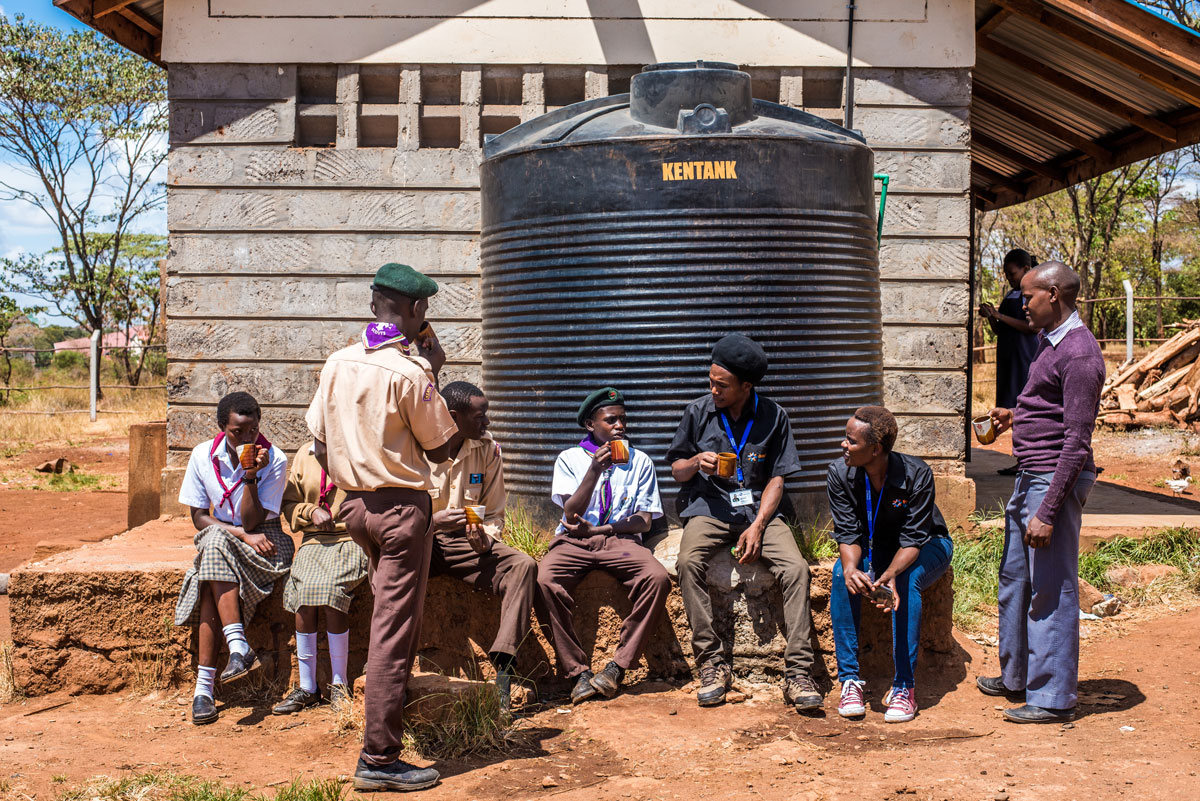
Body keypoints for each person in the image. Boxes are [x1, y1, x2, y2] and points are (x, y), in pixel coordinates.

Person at [305, 263, 458, 792]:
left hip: (356, 511)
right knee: (392, 633)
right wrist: (433, 373)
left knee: (392, 617)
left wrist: (359, 467)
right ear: (417, 312)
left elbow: (320, 445)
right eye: (425, 311)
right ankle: (379, 758)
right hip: (400, 512)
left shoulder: (337, 362)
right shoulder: (411, 373)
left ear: (374, 305)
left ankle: (386, 727)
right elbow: (442, 448)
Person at [977, 261, 1105, 724]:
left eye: (1027, 296)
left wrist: (1048, 511)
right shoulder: (1049, 342)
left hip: (1053, 478)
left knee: (1051, 586)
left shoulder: (1081, 355)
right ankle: (1017, 676)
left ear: (1053, 294)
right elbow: (1051, 407)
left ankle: (1053, 697)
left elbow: (1076, 443)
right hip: (1031, 473)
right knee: (1016, 578)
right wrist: (1016, 414)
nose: (1022, 303)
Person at [667, 334, 822, 712]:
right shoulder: (698, 412)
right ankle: (711, 664)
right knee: (688, 563)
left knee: (796, 568)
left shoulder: (773, 416)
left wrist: (758, 526)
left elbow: (777, 479)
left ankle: (799, 672)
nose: (713, 389)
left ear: (746, 386)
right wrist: (695, 462)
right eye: (711, 380)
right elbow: (676, 469)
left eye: (722, 384)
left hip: (759, 511)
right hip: (710, 507)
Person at [537, 387, 672, 704]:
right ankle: (577, 671)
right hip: (574, 538)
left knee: (657, 578)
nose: (620, 426)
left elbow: (644, 520)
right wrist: (595, 470)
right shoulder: (569, 459)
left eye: (623, 420)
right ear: (590, 425)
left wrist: (604, 528)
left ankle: (617, 667)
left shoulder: (639, 461)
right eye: (611, 420)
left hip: (619, 538)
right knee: (544, 581)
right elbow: (570, 512)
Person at [826, 406, 954, 723]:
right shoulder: (839, 474)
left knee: (906, 581)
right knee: (842, 574)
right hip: (874, 549)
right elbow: (848, 532)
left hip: (927, 546)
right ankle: (850, 681)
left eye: (850, 441)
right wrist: (854, 568)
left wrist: (890, 575)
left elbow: (913, 539)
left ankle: (904, 687)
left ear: (875, 449)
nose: (843, 445)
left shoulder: (916, 475)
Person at [174, 391, 291, 726]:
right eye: (238, 432)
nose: (246, 437)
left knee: (208, 572)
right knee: (212, 544)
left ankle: (203, 689)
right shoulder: (201, 456)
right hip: (235, 539)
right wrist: (238, 534)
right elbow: (199, 516)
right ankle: (237, 647)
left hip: (266, 541)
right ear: (222, 428)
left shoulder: (276, 459)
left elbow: (255, 522)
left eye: (252, 430)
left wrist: (251, 474)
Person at [427, 381, 537, 712]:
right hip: (423, 543)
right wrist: (432, 524)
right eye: (480, 416)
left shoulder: (487, 449)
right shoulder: (416, 447)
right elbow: (397, 518)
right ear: (453, 417)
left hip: (467, 545)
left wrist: (485, 537)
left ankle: (503, 668)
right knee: (388, 569)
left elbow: (494, 512)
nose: (486, 422)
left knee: (524, 566)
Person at [272, 440, 368, 715]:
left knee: (331, 589)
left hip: (353, 538)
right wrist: (310, 511)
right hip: (313, 540)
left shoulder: (360, 447)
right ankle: (307, 687)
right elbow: (290, 504)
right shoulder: (305, 453)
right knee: (303, 591)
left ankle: (339, 683)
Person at [978, 249, 1040, 476]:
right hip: (1009, 360)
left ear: (1026, 269)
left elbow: (1032, 327)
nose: (1009, 278)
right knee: (1011, 407)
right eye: (1006, 274)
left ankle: (1028, 460)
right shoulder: (1011, 295)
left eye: (1012, 273)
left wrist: (1001, 316)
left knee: (1024, 408)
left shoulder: (1032, 295)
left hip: (1025, 358)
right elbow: (1001, 329)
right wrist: (992, 316)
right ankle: (1021, 459)